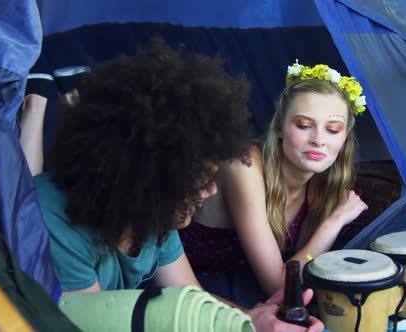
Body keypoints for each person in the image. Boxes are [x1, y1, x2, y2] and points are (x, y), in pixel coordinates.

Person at [34, 41, 324, 332]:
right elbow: (93, 324)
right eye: (202, 180)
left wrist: (255, 319)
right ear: (150, 177)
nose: (212, 191)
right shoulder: (56, 223)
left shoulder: (154, 213)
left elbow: (192, 298)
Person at [180, 60, 368, 305]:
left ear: (344, 138)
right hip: (197, 293)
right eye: (304, 126)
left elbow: (298, 267)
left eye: (333, 129)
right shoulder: (243, 164)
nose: (319, 140)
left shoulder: (321, 184)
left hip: (253, 293)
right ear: (279, 128)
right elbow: (279, 286)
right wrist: (334, 222)